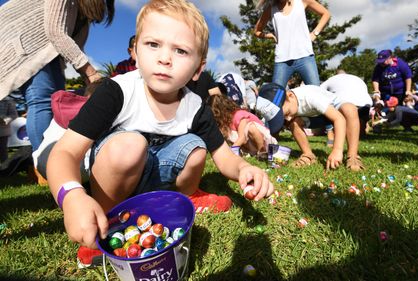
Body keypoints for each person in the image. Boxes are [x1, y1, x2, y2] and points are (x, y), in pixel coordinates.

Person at [45, 0, 274, 268]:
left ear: (198, 69)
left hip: (158, 171)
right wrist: (72, 195)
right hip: (117, 172)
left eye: (180, 50)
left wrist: (245, 169)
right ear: (136, 52)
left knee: (197, 147)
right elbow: (65, 152)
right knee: (129, 146)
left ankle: (186, 197)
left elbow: (224, 158)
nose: (164, 58)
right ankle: (107, 221)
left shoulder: (195, 106)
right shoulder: (116, 92)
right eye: (153, 44)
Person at [0, 0, 115, 151]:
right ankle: (44, 163)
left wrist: (90, 80)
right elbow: (55, 32)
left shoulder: (82, 20)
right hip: (27, 47)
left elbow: (75, 50)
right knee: (42, 101)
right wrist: (91, 73)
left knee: (58, 103)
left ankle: (54, 159)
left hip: (51, 55)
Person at [259, 83, 364, 171]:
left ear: (290, 95)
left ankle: (353, 156)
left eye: (287, 113)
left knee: (350, 109)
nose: (288, 118)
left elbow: (339, 119)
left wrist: (337, 150)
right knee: (293, 121)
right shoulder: (290, 106)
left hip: (335, 110)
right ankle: (308, 155)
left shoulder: (310, 96)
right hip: (315, 117)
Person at [254, 0, 330, 87]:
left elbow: (326, 14)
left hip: (305, 56)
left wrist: (314, 33)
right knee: (276, 97)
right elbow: (256, 31)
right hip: (282, 61)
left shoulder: (302, 1)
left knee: (315, 93)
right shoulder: (271, 9)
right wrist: (269, 35)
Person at [209, 94, 277, 159]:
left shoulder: (239, 115)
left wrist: (229, 152)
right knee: (225, 132)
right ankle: (251, 152)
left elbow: (242, 138)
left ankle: (263, 152)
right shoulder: (225, 122)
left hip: (266, 143)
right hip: (249, 146)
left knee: (251, 127)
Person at [320, 71, 373, 140]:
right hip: (365, 103)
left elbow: (319, 91)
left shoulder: (332, 79)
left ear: (336, 75)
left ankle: (330, 133)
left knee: (326, 108)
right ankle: (361, 130)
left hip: (345, 103)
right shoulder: (357, 78)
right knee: (361, 118)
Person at [0, 98, 18, 162]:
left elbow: (14, 114)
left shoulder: (7, 100)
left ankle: (5, 169)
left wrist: (5, 120)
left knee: (2, 151)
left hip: (2, 130)